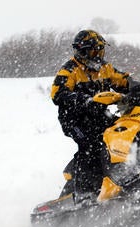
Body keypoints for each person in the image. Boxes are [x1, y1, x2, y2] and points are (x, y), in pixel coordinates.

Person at [50, 30, 129, 202]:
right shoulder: (69, 70)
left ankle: (126, 176)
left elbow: (123, 80)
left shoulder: (105, 68)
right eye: (94, 51)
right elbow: (57, 94)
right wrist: (84, 100)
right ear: (83, 51)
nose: (98, 55)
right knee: (91, 147)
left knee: (124, 134)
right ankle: (84, 193)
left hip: (99, 116)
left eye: (100, 50)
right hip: (74, 119)